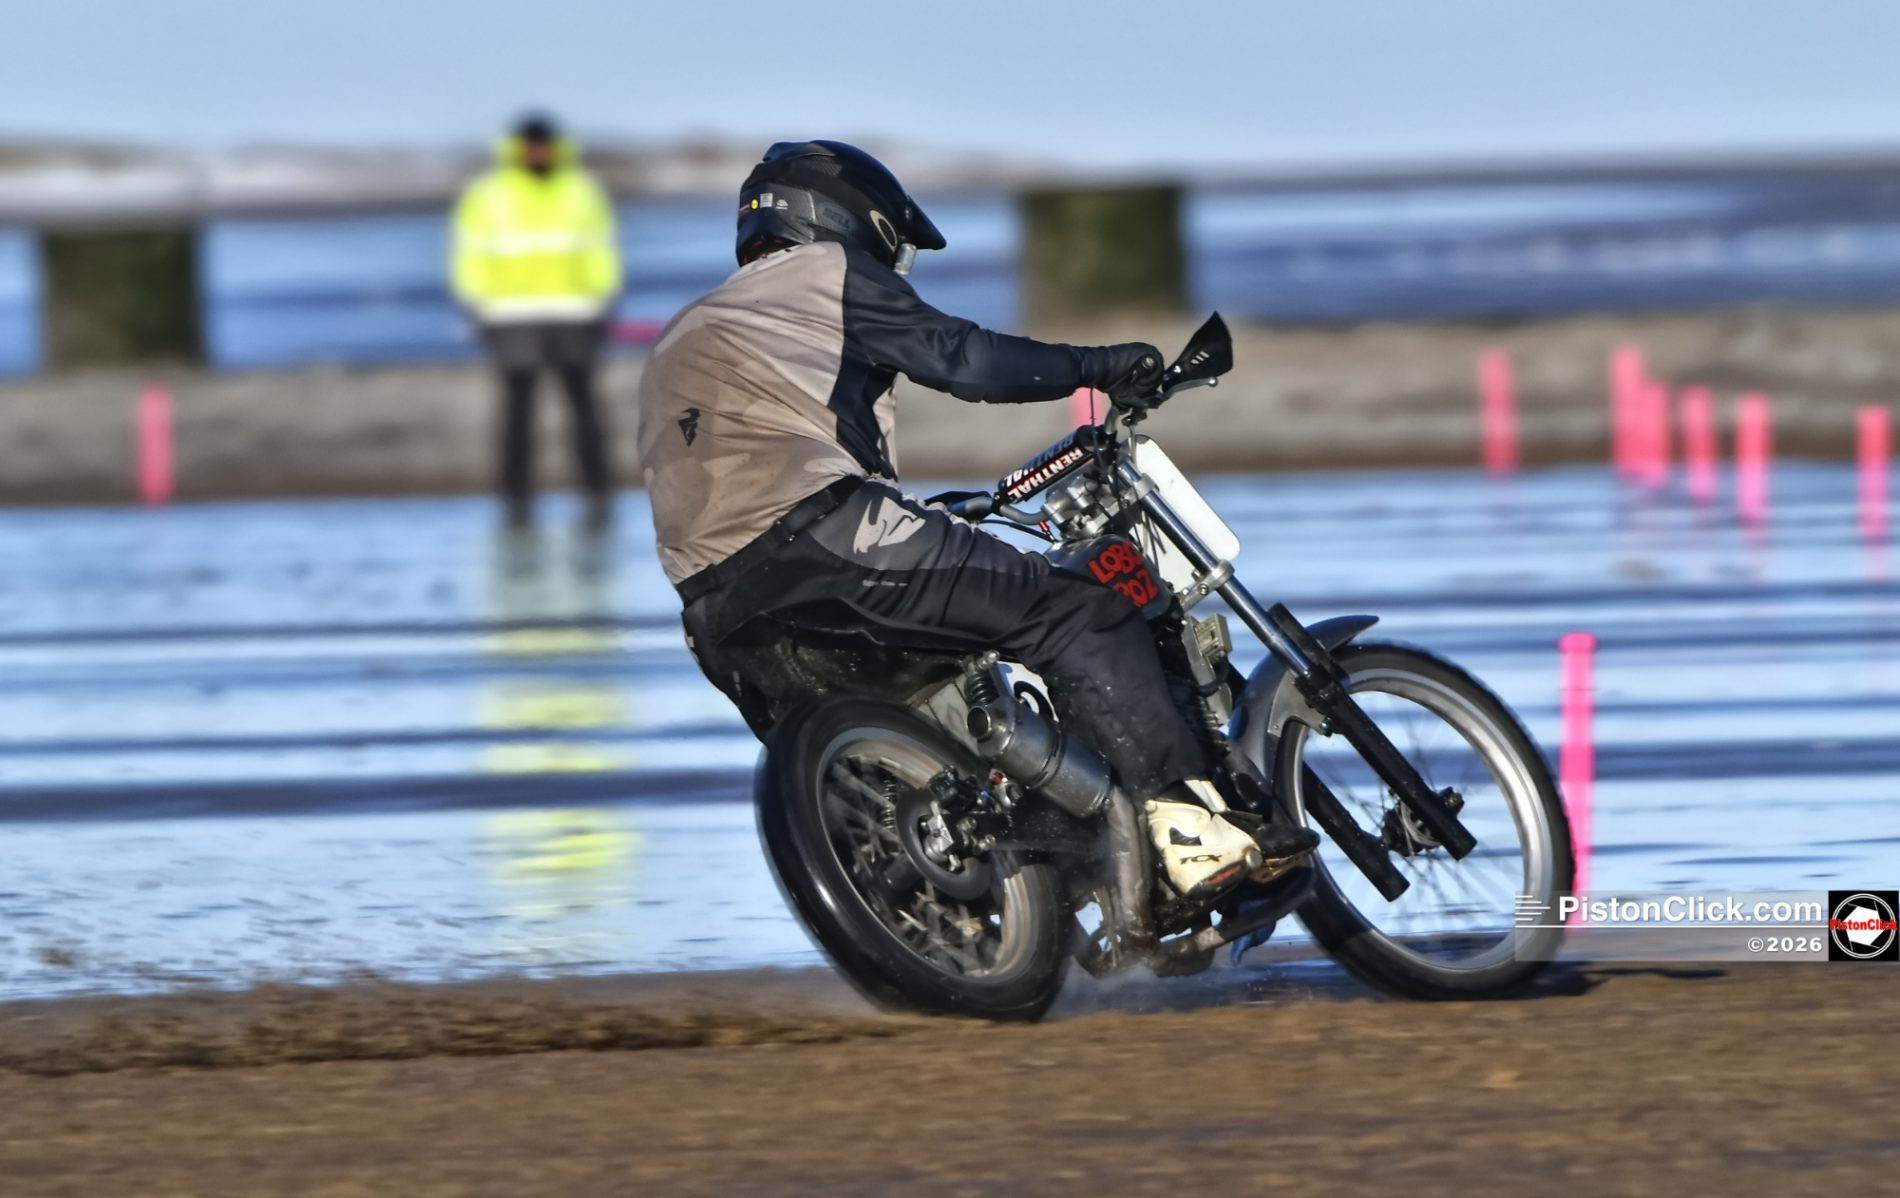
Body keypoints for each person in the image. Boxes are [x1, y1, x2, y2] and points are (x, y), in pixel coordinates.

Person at [636, 140, 1316, 901]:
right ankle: (1185, 822)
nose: (891, 270)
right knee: (1078, 608)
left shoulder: (683, 332)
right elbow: (963, 360)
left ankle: (1025, 893)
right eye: (892, 249)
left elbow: (753, 470)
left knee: (936, 735)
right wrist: (1100, 366)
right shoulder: (820, 272)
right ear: (845, 221)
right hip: (826, 538)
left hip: (718, 618)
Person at [452, 113, 622, 531]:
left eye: (543, 144)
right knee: (518, 411)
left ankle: (598, 492)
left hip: (575, 312)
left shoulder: (583, 191)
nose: (537, 152)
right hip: (511, 316)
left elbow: (600, 251)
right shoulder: (488, 194)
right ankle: (515, 497)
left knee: (583, 408)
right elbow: (470, 253)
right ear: (517, 147)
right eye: (531, 144)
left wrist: (602, 301)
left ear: (555, 146)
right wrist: (476, 305)